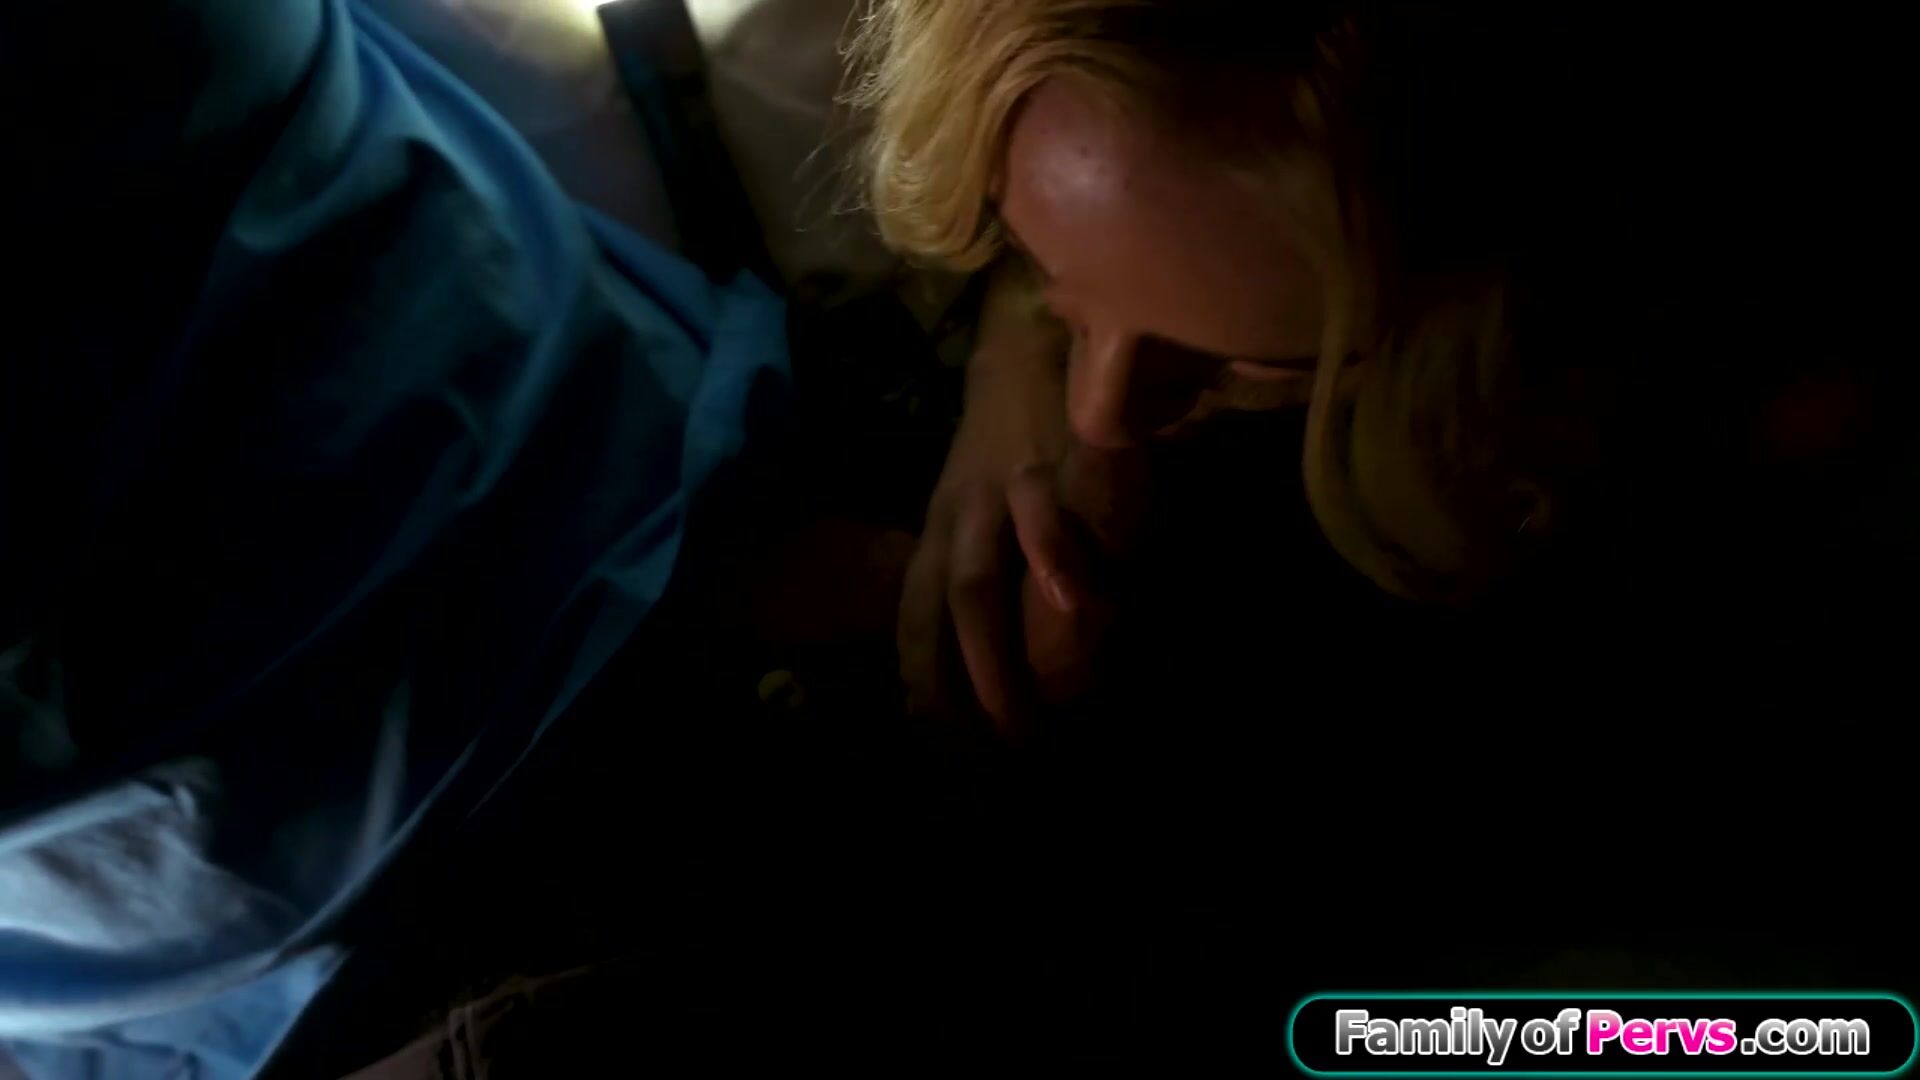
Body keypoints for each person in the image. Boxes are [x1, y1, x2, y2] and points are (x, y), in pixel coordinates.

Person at [849, 1, 1902, 729]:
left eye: (1246, 362)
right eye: (1040, 259)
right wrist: (1010, 358)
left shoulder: (1731, 427)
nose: (1097, 418)